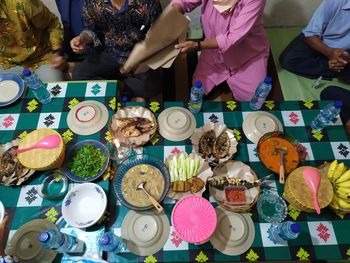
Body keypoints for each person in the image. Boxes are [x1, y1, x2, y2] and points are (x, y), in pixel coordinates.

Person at [171, 0, 269, 101]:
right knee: (197, 90)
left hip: (246, 56)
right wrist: (172, 16)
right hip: (213, 51)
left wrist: (198, 45)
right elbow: (184, 2)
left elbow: (233, 38)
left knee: (254, 99)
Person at [70, 0, 163, 102]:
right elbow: (91, 29)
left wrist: (143, 58)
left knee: (152, 87)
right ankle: (123, 87)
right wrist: (83, 39)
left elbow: (158, 36)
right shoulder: (92, 2)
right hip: (110, 52)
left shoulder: (149, 3)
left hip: (140, 55)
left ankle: (116, 88)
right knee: (78, 75)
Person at [279, 0, 350, 84]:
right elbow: (310, 33)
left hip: (346, 51)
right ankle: (337, 68)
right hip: (320, 41)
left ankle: (337, 67)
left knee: (345, 70)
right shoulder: (335, 2)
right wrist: (330, 53)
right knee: (288, 59)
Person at [0, 0, 66, 82]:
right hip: (8, 63)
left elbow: (52, 24)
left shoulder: (22, 3)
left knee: (54, 91)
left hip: (42, 58)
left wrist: (57, 52)